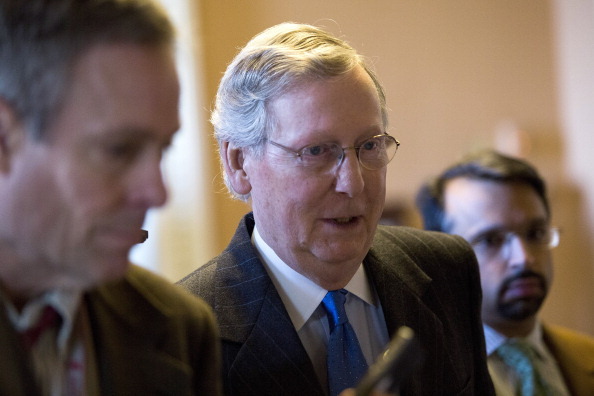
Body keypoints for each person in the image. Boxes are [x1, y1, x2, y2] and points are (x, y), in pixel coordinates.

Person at [179, 22, 494, 396]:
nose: (353, 183)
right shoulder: (180, 336)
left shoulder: (446, 270)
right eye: (316, 151)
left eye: (370, 146)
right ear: (239, 163)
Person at [0, 0, 221, 394]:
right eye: (119, 150)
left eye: (163, 149)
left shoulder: (180, 331)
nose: (157, 193)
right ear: (5, 141)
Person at [416, 149, 594, 395]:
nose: (523, 258)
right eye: (491, 240)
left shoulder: (587, 355)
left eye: (535, 233)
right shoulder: (424, 380)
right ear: (441, 256)